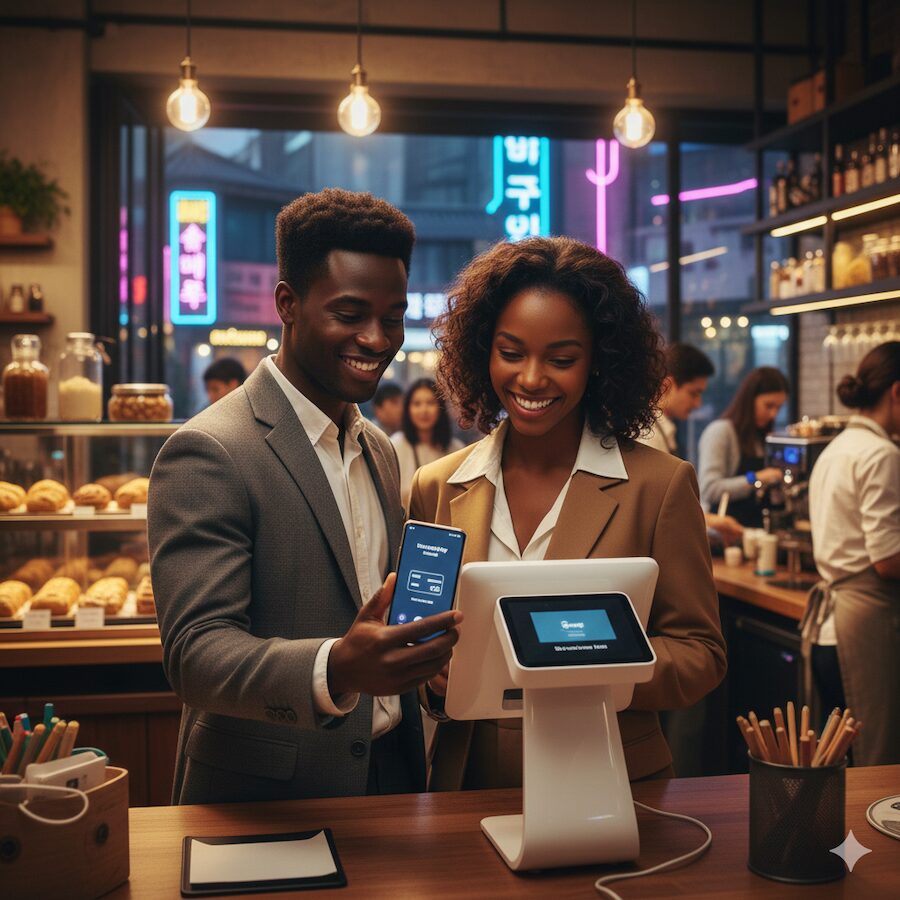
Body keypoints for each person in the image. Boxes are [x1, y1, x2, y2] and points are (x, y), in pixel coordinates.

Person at [148, 188, 461, 805]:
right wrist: (337, 668)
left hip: (393, 781)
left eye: (392, 316)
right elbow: (196, 654)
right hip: (263, 800)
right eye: (349, 313)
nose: (377, 339)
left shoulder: (377, 448)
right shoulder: (210, 449)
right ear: (287, 304)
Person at [410, 236, 727, 789]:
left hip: (614, 781)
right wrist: (430, 675)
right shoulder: (438, 486)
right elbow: (417, 645)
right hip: (466, 783)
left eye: (561, 359)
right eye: (511, 353)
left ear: (599, 362)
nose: (531, 379)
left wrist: (597, 667)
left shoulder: (659, 486)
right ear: (482, 353)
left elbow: (701, 653)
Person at [804, 341, 900, 765]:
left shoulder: (837, 448)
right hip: (863, 625)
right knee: (875, 759)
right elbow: (887, 559)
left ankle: (840, 835)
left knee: (844, 762)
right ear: (897, 393)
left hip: (830, 628)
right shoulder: (881, 453)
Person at [639, 342, 743, 545]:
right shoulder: (648, 435)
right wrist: (711, 520)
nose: (697, 404)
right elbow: (656, 509)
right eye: (693, 393)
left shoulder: (663, 430)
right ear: (666, 386)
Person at [697, 366, 789, 527]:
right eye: (768, 406)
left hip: (757, 531)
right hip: (725, 532)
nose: (773, 414)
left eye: (779, 408)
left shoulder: (763, 436)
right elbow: (709, 489)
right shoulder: (721, 432)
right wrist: (756, 478)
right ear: (749, 400)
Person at [391, 378, 464, 508]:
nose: (424, 410)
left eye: (430, 403)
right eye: (417, 404)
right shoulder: (396, 445)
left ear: (440, 407)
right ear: (408, 409)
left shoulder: (456, 449)